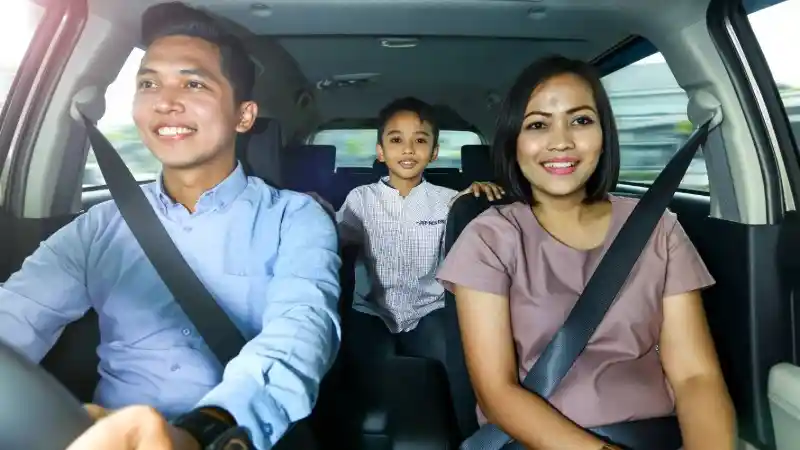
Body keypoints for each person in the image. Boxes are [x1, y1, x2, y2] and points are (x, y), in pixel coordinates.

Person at [0, 2, 340, 450]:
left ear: (243, 116)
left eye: (193, 83)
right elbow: (16, 315)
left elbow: (301, 330)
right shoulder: (98, 227)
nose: (164, 102)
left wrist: (206, 431)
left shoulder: (295, 219)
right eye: (148, 83)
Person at [436, 56, 736, 450]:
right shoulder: (489, 239)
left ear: (603, 134)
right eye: (538, 125)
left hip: (657, 435)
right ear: (514, 142)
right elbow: (497, 393)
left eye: (580, 120)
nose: (561, 141)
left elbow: (695, 375)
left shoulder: (658, 229)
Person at [335, 96, 504, 436]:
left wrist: (476, 196)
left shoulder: (450, 200)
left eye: (420, 140)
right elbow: (334, 242)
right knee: (351, 377)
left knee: (458, 372)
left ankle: (468, 436)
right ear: (381, 151)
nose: (408, 149)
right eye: (396, 139)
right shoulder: (360, 199)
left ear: (434, 152)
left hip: (429, 309)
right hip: (371, 311)